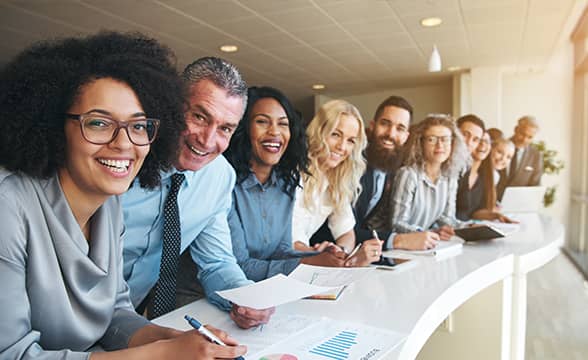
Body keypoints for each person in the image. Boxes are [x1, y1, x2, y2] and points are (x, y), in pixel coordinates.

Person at [0, 32, 246, 359]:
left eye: (139, 126)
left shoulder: (108, 204)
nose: (124, 143)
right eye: (99, 123)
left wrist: (171, 339)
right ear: (53, 124)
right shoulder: (8, 205)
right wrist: (159, 355)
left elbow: (113, 312)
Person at [121, 57, 274, 329]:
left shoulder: (219, 176)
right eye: (200, 117)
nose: (207, 140)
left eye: (225, 128)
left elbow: (216, 262)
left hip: (128, 323)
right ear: (173, 105)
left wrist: (244, 296)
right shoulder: (123, 157)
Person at [225, 86, 353, 281]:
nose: (274, 132)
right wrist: (306, 262)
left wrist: (323, 255)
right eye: (262, 122)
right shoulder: (227, 185)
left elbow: (282, 250)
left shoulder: (285, 184)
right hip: (208, 297)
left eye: (283, 124)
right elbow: (239, 266)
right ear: (244, 128)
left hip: (263, 290)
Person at [291, 99, 382, 265]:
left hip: (305, 264)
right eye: (336, 134)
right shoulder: (292, 173)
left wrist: (342, 251)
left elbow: (346, 233)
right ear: (319, 131)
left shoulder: (336, 179)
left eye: (350, 140)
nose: (342, 147)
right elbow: (288, 243)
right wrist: (320, 253)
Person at [388, 114, 469, 242]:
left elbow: (446, 218)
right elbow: (397, 223)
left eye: (445, 139)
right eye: (432, 139)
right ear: (421, 143)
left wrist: (469, 227)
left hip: (426, 244)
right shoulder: (408, 175)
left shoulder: (450, 177)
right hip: (402, 246)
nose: (440, 145)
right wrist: (427, 233)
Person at [497, 115, 543, 199]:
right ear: (516, 129)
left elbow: (535, 187)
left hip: (519, 205)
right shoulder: (498, 146)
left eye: (530, 137)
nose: (524, 140)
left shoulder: (536, 155)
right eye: (522, 134)